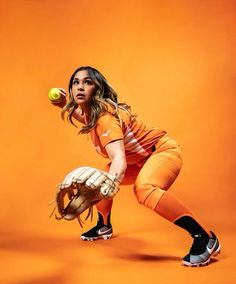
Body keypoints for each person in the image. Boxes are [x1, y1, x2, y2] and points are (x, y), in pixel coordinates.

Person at [50, 66, 221, 267]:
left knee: (143, 189)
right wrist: (64, 104)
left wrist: (111, 183)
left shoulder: (106, 119)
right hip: (142, 159)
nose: (80, 87)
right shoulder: (92, 112)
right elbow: (83, 116)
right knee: (99, 177)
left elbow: (119, 159)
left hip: (163, 152)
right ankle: (103, 226)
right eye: (75, 82)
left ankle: (205, 237)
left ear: (98, 89)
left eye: (87, 82)